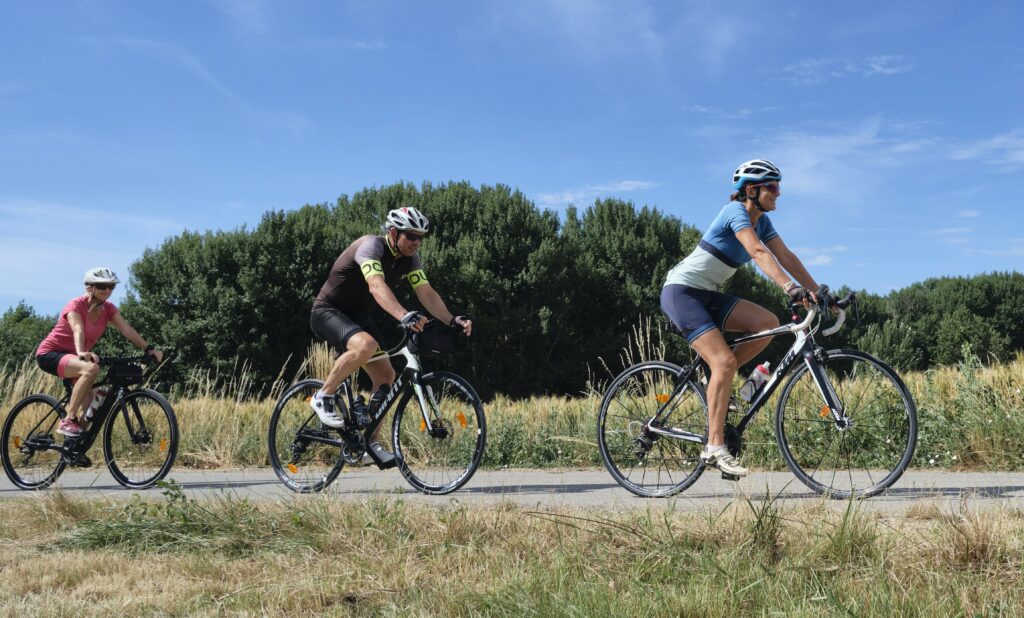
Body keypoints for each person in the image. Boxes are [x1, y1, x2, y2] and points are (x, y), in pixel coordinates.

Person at [661, 159, 827, 477]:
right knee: (723, 361)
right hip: (681, 293)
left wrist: (818, 292)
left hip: (707, 295)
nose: (778, 193)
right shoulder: (735, 213)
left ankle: (720, 388)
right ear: (751, 190)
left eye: (778, 186)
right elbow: (758, 252)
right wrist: (791, 288)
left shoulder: (762, 221)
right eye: (772, 187)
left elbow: (786, 256)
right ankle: (714, 447)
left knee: (767, 324)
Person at [309, 206, 472, 465]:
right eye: (411, 236)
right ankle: (323, 396)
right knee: (366, 344)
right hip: (328, 310)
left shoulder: (409, 259)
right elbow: (376, 284)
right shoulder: (370, 246)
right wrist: (404, 315)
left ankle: (370, 443)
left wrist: (452, 319)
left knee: (386, 375)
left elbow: (426, 292)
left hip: (359, 317)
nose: (417, 242)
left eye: (421, 238)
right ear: (394, 233)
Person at [35, 267, 164, 437]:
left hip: (76, 359)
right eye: (103, 286)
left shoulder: (109, 309)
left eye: (111, 287)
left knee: (94, 406)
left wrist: (148, 348)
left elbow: (126, 329)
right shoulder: (75, 305)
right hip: (51, 354)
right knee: (91, 369)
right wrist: (81, 351)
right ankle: (68, 420)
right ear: (90, 287)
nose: (108, 290)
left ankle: (74, 447)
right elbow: (77, 328)